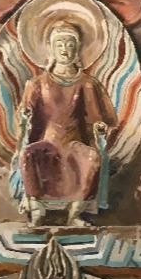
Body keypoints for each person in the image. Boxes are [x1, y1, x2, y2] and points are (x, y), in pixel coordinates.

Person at [12, 21, 118, 227]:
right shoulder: (37, 84)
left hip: (74, 143)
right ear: (51, 49)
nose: (64, 49)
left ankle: (75, 213)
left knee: (91, 158)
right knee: (28, 154)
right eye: (59, 44)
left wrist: (99, 127)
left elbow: (98, 117)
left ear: (77, 49)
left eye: (70, 45)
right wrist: (25, 116)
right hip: (47, 142)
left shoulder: (87, 84)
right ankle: (37, 209)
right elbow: (25, 114)